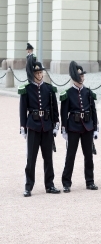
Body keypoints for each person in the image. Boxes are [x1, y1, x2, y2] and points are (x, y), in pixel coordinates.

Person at [19, 55, 60, 197]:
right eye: (37, 73)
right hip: (33, 126)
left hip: (47, 126)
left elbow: (54, 107)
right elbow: (23, 109)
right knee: (31, 158)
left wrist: (56, 123)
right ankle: (28, 186)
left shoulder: (49, 88)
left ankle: (50, 185)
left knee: (48, 157)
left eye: (41, 72)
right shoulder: (27, 89)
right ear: (33, 74)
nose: (40, 75)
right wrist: (23, 127)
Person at [60, 61, 99, 192]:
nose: (82, 78)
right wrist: (64, 128)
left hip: (87, 126)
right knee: (70, 155)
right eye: (80, 76)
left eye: (83, 76)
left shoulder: (88, 92)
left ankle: (90, 181)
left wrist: (95, 127)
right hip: (73, 127)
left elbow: (93, 110)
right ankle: (66, 182)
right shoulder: (68, 93)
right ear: (74, 77)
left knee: (88, 155)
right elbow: (64, 112)